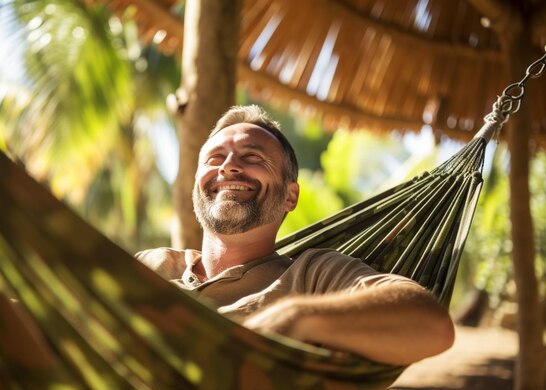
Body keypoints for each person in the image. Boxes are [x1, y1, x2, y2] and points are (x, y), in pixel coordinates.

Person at [137, 105, 454, 366]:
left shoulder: (312, 276)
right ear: (196, 187)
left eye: (252, 157)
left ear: (291, 196)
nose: (228, 167)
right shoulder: (153, 266)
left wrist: (294, 317)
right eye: (214, 158)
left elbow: (431, 325)